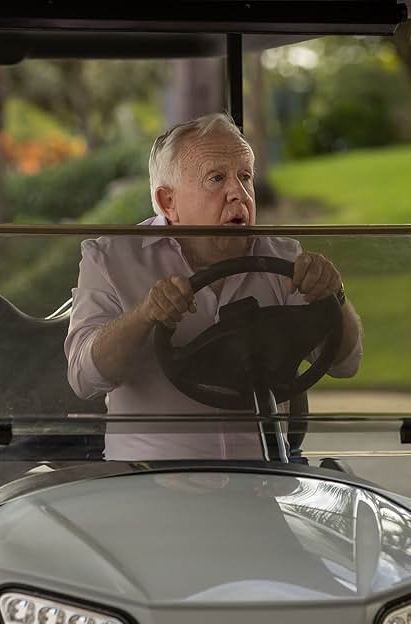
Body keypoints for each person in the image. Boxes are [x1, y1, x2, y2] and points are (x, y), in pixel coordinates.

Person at [64, 112, 362, 461]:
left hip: (262, 480)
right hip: (146, 482)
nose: (238, 193)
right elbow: (84, 378)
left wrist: (334, 295)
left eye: (245, 177)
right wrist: (145, 315)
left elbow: (345, 364)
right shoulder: (110, 258)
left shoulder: (284, 257)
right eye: (217, 178)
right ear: (167, 202)